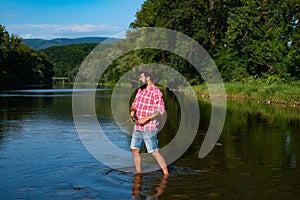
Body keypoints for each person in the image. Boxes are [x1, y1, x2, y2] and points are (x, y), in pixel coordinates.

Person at [130, 70, 169, 175]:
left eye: (141, 77)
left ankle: (166, 174)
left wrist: (146, 118)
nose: (139, 79)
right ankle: (138, 172)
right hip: (137, 126)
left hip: (149, 127)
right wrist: (133, 111)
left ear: (148, 78)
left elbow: (161, 110)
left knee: (153, 151)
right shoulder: (140, 90)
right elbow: (135, 103)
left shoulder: (156, 91)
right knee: (135, 150)